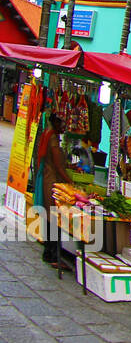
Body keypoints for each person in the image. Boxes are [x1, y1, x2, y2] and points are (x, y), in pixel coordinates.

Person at [32, 113, 72, 267]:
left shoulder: (47, 134)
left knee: (49, 217)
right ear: (56, 122)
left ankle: (48, 253)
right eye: (62, 123)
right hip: (52, 181)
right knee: (54, 218)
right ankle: (54, 256)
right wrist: (71, 182)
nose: (64, 126)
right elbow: (58, 166)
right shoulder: (53, 138)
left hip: (46, 179)